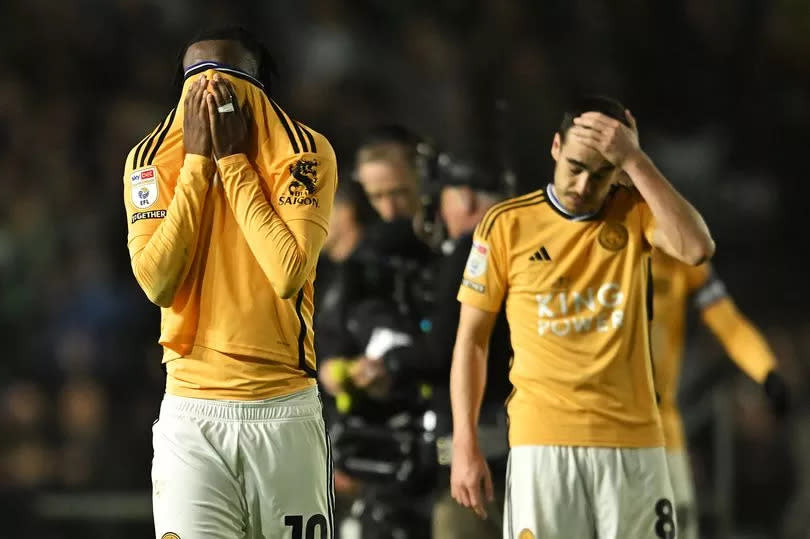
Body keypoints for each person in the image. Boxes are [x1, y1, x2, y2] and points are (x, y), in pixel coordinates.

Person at [450, 95, 715, 539]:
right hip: (542, 442)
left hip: (635, 441)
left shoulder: (635, 211)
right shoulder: (506, 224)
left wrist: (635, 158)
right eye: (575, 165)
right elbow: (471, 340)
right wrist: (465, 445)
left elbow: (697, 248)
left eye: (601, 172)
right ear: (555, 147)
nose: (582, 183)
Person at [122, 27, 337, 538]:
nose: (211, 91)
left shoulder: (302, 152)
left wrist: (235, 163)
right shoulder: (151, 159)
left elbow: (287, 273)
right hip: (191, 416)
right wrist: (198, 165)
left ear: (258, 89)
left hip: (282, 409)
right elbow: (155, 283)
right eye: (196, 81)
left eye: (229, 80)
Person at [651, 250, 789, 539]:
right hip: (599, 429)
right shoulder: (591, 244)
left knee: (679, 529)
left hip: (664, 429)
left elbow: (728, 323)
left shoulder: (680, 253)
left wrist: (766, 370)